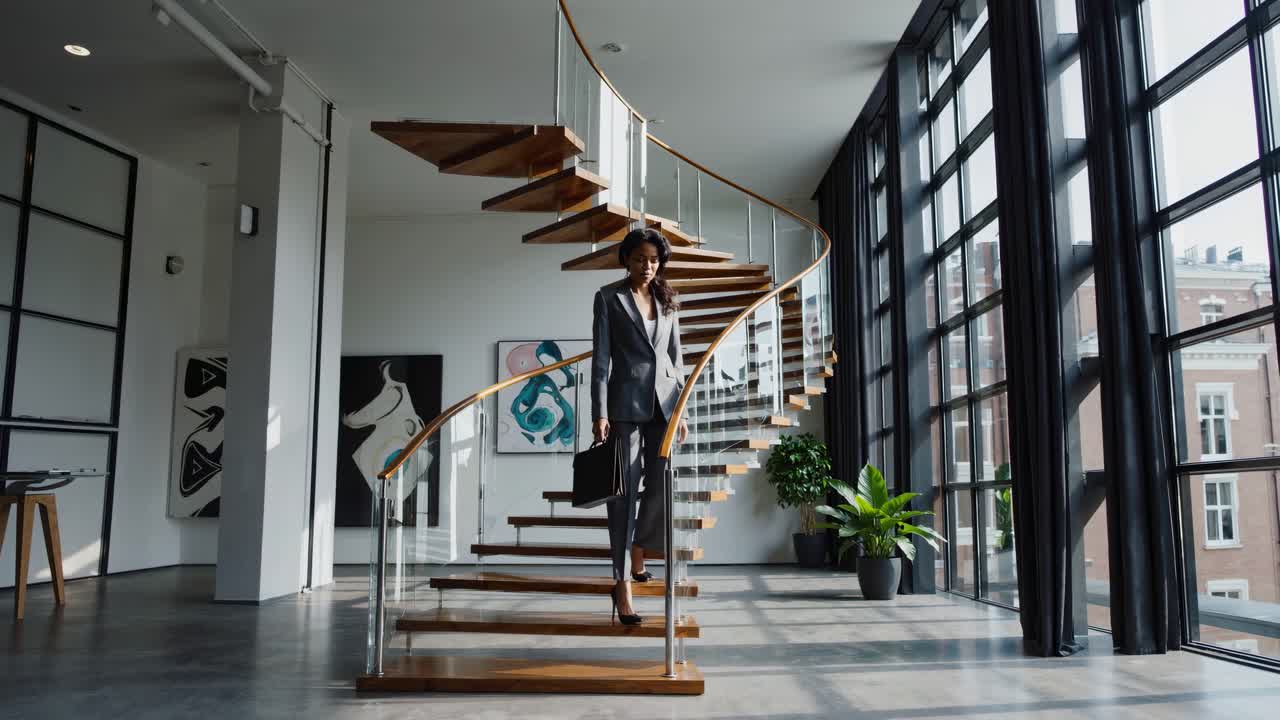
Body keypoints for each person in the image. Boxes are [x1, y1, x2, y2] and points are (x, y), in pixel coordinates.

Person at [591, 227, 689, 625]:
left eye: (653, 260)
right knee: (623, 494)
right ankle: (622, 585)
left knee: (661, 485)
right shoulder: (608, 297)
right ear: (626, 259)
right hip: (624, 407)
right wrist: (599, 412)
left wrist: (681, 411)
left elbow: (676, 360)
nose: (647, 266)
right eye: (639, 259)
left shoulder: (667, 298)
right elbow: (600, 360)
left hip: (664, 406)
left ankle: (640, 549)